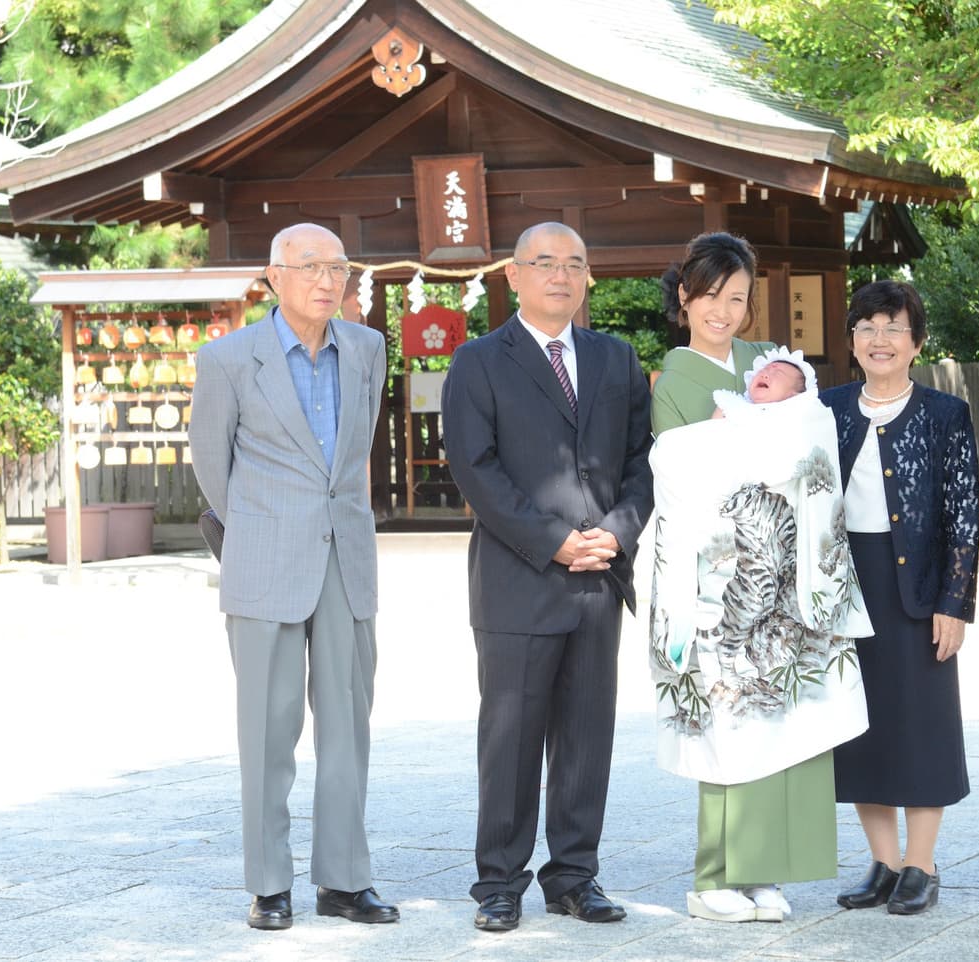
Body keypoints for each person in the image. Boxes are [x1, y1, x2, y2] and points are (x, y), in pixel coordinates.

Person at [440, 222, 654, 933]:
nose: (560, 275)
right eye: (544, 263)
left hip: (599, 576)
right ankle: (499, 881)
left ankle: (575, 876)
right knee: (511, 734)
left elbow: (640, 462)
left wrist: (615, 533)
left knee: (588, 735)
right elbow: (477, 470)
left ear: (589, 277)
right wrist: (554, 542)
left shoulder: (616, 359)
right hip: (517, 577)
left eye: (574, 264)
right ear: (515, 276)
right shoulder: (479, 362)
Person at [189, 222, 398, 930]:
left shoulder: (367, 348)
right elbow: (213, 471)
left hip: (346, 559)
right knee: (267, 731)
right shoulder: (225, 359)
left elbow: (355, 451)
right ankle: (269, 883)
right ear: (273, 277)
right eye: (309, 266)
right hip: (264, 559)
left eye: (337, 267)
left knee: (348, 727)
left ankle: (343, 881)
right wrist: (260, 524)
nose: (325, 279)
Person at [650, 344, 872, 924]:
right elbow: (671, 457)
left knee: (789, 737)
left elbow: (801, 465)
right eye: (764, 373)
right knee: (731, 732)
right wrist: (720, 436)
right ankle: (714, 878)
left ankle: (766, 872)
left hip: (794, 604)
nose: (769, 378)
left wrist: (737, 441)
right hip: (723, 596)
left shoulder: (809, 417)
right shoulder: (708, 402)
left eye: (785, 376)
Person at [820, 280, 979, 915]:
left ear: (916, 341)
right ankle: (883, 862)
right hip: (844, 584)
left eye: (893, 327)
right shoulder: (825, 408)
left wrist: (955, 601)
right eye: (866, 326)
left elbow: (963, 515)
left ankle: (923, 862)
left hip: (917, 587)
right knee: (861, 727)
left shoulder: (946, 414)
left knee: (921, 725)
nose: (878, 339)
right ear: (852, 340)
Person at [651, 232, 773, 433]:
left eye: (736, 299)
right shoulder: (669, 389)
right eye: (710, 294)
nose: (722, 312)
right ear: (684, 295)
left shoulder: (769, 358)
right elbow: (672, 462)